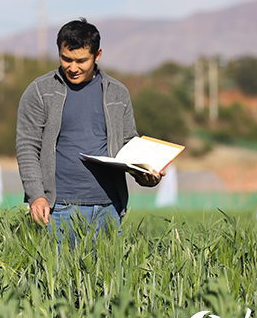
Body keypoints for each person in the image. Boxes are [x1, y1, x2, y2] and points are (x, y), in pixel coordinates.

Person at [15, 18, 162, 246]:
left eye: (81, 61)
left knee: (108, 270)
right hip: (57, 209)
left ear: (97, 55)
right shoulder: (40, 91)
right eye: (66, 59)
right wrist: (37, 195)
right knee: (56, 270)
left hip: (109, 209)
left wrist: (145, 174)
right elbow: (27, 147)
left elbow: (128, 144)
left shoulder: (118, 93)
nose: (73, 68)